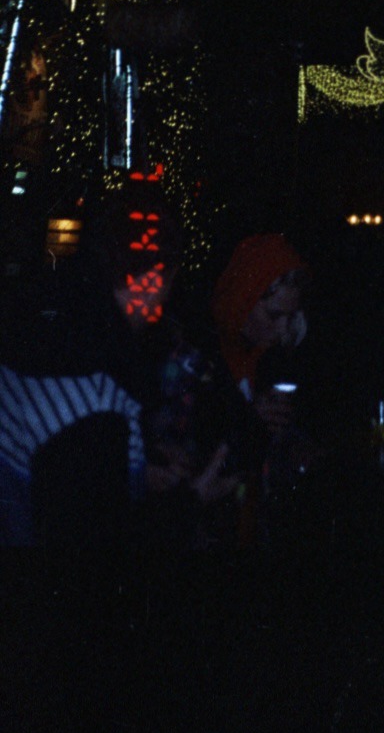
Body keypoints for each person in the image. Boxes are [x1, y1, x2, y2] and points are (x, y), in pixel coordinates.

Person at [0, 194, 234, 546]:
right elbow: (98, 544)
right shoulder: (98, 393)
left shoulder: (48, 326)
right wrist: (193, 499)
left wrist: (138, 463)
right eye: (169, 283)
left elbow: (60, 469)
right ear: (154, 280)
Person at [210, 233, 312, 542]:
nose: (283, 328)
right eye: (273, 314)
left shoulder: (270, 359)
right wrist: (249, 419)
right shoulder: (199, 358)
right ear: (245, 299)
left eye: (290, 316)